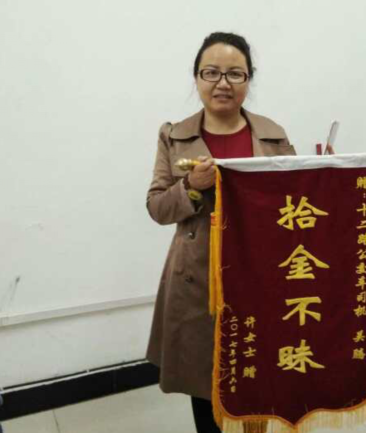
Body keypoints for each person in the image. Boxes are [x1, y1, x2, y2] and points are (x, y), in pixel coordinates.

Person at [145, 32, 296, 433]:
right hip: (197, 277)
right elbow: (157, 208)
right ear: (196, 77)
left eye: (235, 73)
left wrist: (322, 177)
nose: (222, 83)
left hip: (261, 275)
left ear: (249, 79)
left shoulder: (272, 134)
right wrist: (191, 187)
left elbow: (294, 206)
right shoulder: (174, 135)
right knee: (204, 379)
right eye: (211, 72)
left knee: (257, 369)